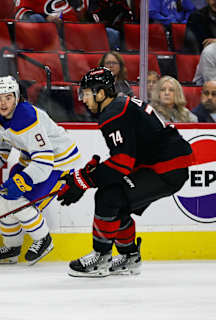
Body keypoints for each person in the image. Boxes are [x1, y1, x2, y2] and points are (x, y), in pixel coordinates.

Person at [57, 67, 193, 277]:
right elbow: (128, 154)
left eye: (85, 93)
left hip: (165, 168)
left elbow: (122, 164)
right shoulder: (120, 105)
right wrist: (87, 175)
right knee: (116, 203)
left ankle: (101, 257)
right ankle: (130, 257)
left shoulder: (113, 113)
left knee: (109, 196)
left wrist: (84, 181)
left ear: (101, 93)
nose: (82, 98)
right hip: (162, 164)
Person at [0, 75, 82, 266]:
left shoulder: (28, 117)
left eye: (8, 97)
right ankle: (12, 248)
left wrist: (24, 180)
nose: (3, 103)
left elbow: (45, 160)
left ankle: (43, 239)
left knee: (18, 200)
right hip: (33, 159)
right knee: (6, 199)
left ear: (17, 97)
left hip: (59, 162)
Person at [14, 0, 88, 24]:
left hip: (77, 38)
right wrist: (45, 18)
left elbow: (83, 14)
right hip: (50, 43)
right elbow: (20, 14)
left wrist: (80, 10)